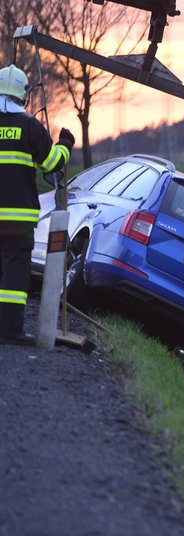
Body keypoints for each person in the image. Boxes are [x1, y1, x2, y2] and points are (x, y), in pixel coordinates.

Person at [0, 64, 73, 346]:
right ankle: (9, 331)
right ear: (24, 95)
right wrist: (65, 143)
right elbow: (52, 164)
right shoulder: (30, 125)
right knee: (14, 278)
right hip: (17, 223)